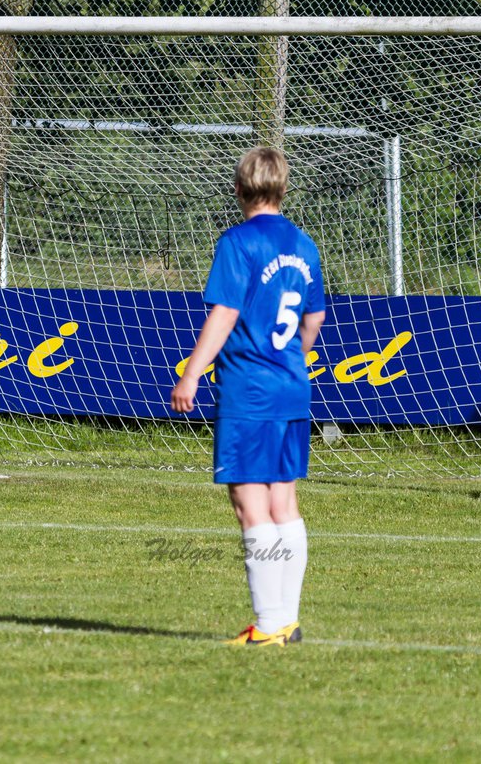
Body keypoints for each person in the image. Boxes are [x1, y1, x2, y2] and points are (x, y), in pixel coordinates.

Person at [170, 146, 325, 647]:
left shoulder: (238, 242)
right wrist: (290, 360)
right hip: (290, 385)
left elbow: (224, 315)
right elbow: (314, 320)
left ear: (239, 190)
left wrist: (192, 374)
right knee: (285, 501)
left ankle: (269, 623)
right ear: (282, 188)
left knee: (250, 502)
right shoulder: (304, 244)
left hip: (250, 389)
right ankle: (287, 622)